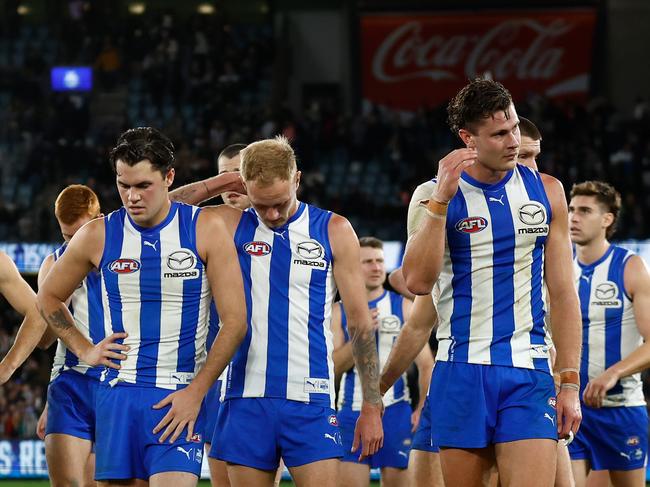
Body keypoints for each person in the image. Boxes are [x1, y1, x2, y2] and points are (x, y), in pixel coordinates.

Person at [37, 127, 248, 486]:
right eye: (123, 185)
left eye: (143, 186)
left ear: (168, 177)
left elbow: (235, 322)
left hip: (178, 397)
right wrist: (84, 350)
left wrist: (197, 393)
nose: (132, 196)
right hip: (116, 396)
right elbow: (48, 296)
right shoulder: (98, 234)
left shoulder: (205, 227)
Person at [397, 78, 582, 487]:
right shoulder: (432, 194)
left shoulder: (546, 190)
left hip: (528, 371)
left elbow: (565, 293)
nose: (513, 140)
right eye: (499, 133)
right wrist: (441, 202)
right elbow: (417, 281)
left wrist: (569, 380)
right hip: (460, 369)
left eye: (514, 127)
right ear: (468, 138)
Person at [206, 136, 384, 487]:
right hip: (244, 396)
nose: (271, 215)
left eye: (280, 204)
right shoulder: (228, 223)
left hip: (311, 397)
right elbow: (163, 210)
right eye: (261, 205)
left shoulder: (333, 229)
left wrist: (371, 405)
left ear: (297, 180)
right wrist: (221, 182)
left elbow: (361, 325)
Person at [331, 236, 434, 487]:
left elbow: (426, 364)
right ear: (354, 266)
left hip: (397, 411)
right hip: (350, 412)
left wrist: (421, 407)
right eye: (367, 262)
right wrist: (361, 333)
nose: (376, 268)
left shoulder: (405, 306)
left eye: (379, 261)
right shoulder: (338, 311)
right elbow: (332, 367)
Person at [567, 181, 650, 487]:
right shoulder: (560, 269)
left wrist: (613, 373)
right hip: (571, 408)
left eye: (585, 211)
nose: (574, 217)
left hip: (621, 409)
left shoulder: (630, 267)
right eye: (572, 209)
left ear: (607, 219)